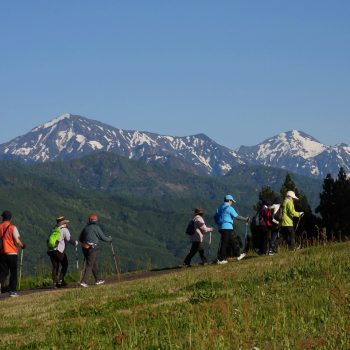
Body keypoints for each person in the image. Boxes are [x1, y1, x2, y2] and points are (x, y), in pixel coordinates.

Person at [79, 213, 112, 287]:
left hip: (84, 247)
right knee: (90, 264)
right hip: (92, 248)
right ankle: (84, 281)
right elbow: (103, 238)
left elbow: (80, 238)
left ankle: (98, 279)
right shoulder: (96, 227)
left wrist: (86, 242)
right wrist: (110, 239)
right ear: (96, 220)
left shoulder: (86, 228)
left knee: (93, 263)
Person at [215, 194, 250, 264]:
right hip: (227, 227)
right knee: (224, 243)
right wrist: (246, 219)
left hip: (221, 227)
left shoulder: (220, 207)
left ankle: (238, 255)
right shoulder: (229, 208)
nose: (232, 203)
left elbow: (216, 216)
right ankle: (221, 259)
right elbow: (237, 216)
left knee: (232, 241)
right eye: (232, 201)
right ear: (229, 200)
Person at [47, 216, 78, 288]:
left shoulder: (54, 229)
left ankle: (55, 283)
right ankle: (60, 280)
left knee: (55, 266)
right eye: (66, 223)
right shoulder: (64, 230)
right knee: (65, 264)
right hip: (59, 251)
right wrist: (75, 243)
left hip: (51, 251)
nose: (67, 224)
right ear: (63, 224)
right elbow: (68, 239)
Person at [0, 210, 25, 297]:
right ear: (10, 218)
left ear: (3, 217)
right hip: (12, 252)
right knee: (13, 272)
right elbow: (17, 241)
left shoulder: (0, 227)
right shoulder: (12, 227)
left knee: (3, 272)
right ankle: (12, 291)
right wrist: (22, 246)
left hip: (2, 253)